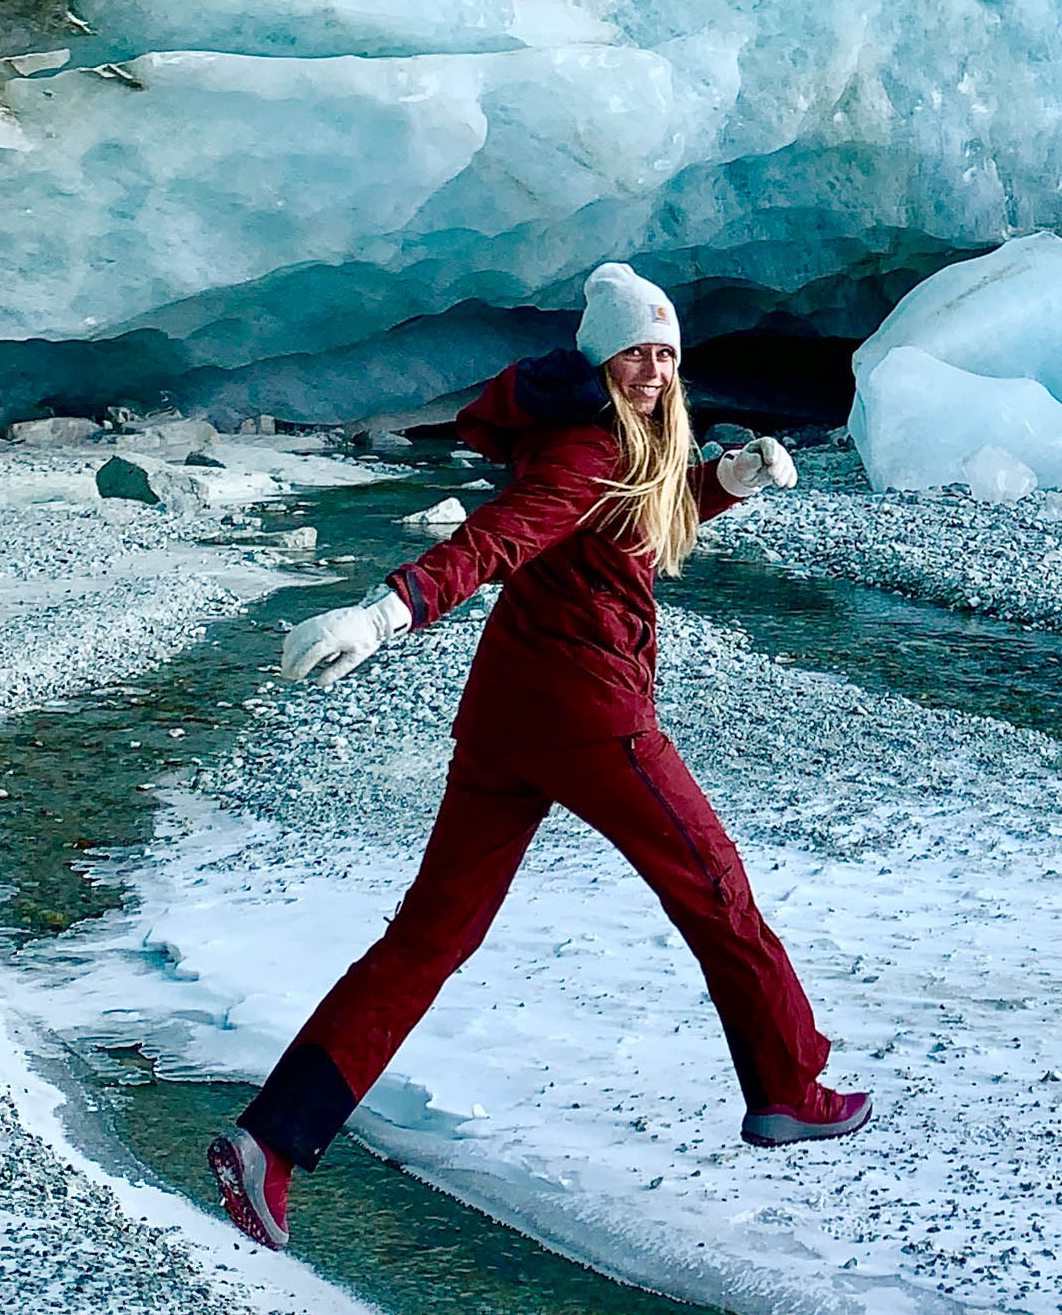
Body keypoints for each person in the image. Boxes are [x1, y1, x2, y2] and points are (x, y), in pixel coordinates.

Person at [207, 264, 868, 1253]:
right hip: (589, 714)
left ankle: (271, 1140)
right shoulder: (584, 449)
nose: (651, 368)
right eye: (634, 351)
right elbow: (497, 539)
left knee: (429, 937)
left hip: (509, 712)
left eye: (665, 352)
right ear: (599, 358)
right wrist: (384, 611)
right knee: (714, 888)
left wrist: (718, 485)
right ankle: (788, 1089)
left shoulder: (608, 446)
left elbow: (616, 527)